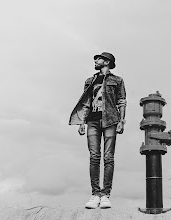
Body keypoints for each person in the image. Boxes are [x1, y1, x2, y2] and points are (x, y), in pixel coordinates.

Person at [69, 52, 127, 209]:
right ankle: (95, 194)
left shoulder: (118, 80)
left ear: (107, 61)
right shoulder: (90, 80)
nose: (95, 60)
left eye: (99, 58)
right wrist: (81, 121)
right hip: (92, 121)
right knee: (94, 157)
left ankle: (105, 195)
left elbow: (121, 101)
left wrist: (122, 121)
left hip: (111, 121)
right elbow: (86, 102)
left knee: (109, 157)